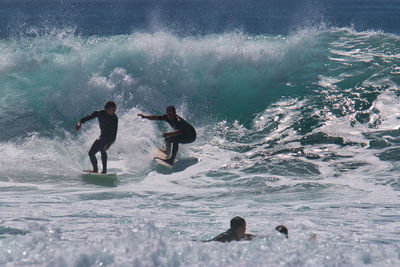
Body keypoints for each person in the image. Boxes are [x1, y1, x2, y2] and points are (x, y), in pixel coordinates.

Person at [75, 101, 118, 173]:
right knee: (92, 153)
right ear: (106, 109)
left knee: (100, 151)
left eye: (114, 110)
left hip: (109, 138)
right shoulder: (99, 113)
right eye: (112, 110)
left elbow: (114, 134)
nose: (114, 111)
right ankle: (98, 170)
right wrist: (79, 123)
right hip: (102, 136)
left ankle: (101, 170)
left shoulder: (114, 118)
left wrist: (109, 143)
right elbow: (88, 117)